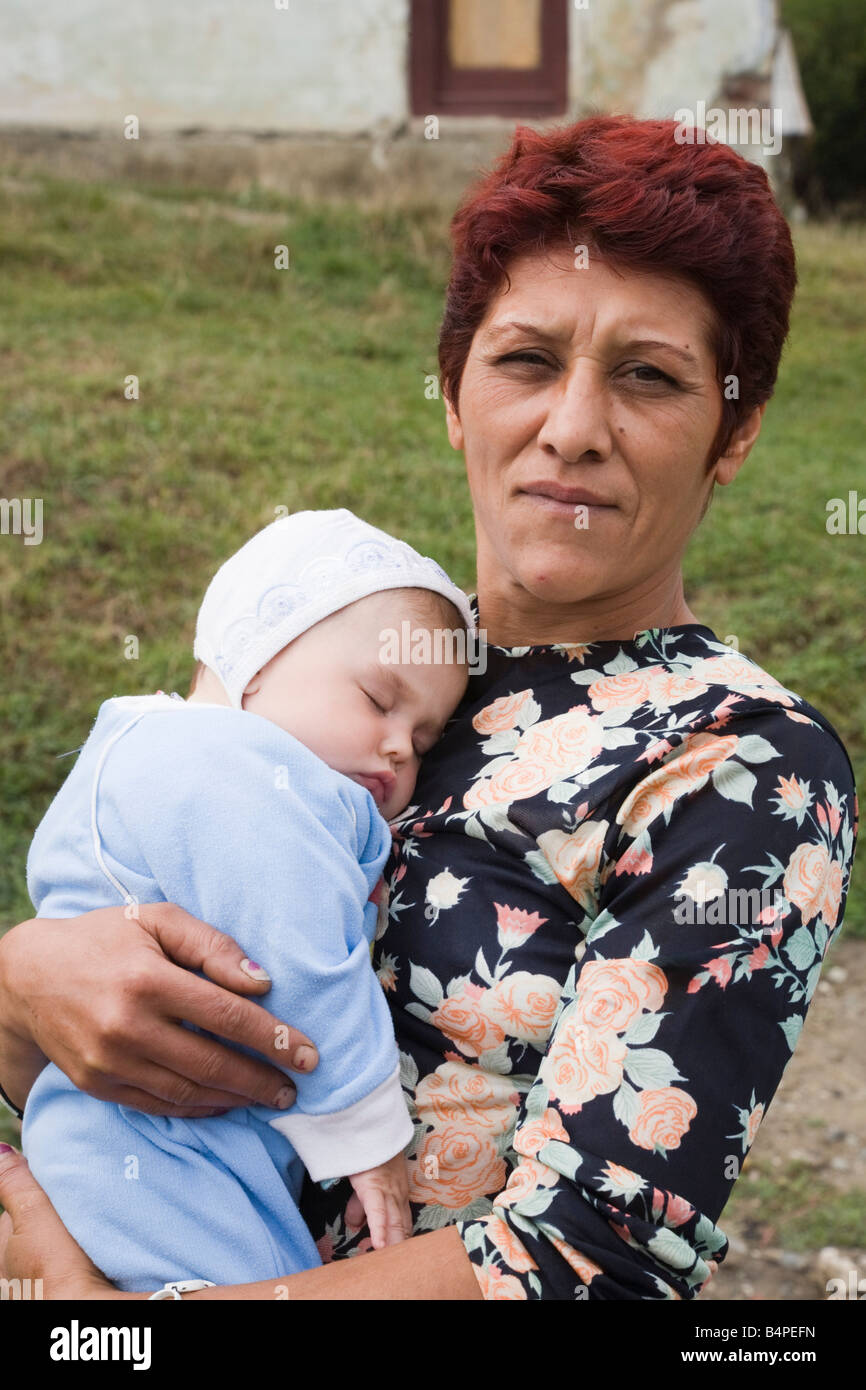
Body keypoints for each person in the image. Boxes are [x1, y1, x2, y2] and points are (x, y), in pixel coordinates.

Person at [0, 114, 857, 1301]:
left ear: (735, 432)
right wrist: (21, 984)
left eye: (647, 376)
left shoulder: (731, 762)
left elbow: (588, 1263)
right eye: (523, 360)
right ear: (453, 393)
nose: (570, 428)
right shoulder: (359, 662)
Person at [18, 508, 472, 1292]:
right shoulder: (230, 765)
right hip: (156, 1153)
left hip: (166, 1141)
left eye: (424, 740)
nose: (400, 746)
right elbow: (296, 954)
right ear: (256, 661)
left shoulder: (184, 753)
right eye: (376, 698)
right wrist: (368, 1139)